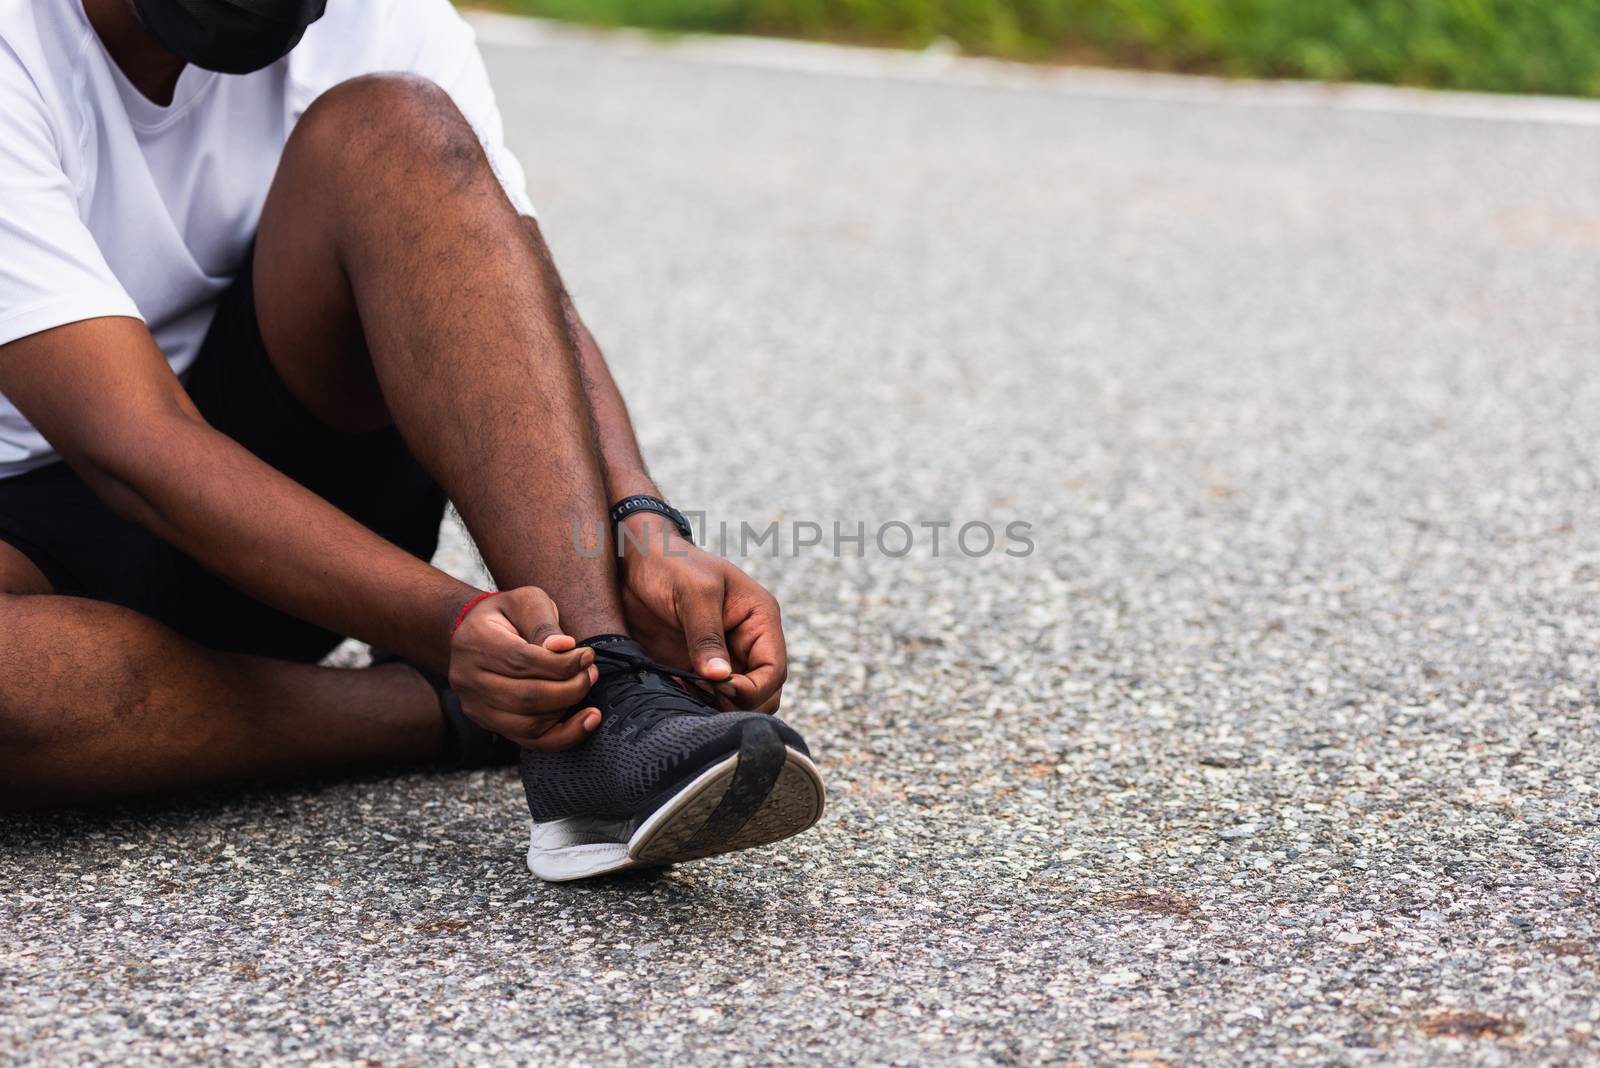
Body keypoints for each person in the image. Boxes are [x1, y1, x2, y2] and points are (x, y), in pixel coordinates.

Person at [0, 0, 824, 881]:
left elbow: (509, 292)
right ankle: (456, 706)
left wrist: (640, 530)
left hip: (299, 506)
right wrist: (450, 628)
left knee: (395, 126)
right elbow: (134, 446)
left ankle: (604, 699)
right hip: (54, 523)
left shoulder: (379, 15)